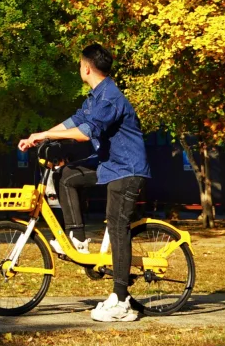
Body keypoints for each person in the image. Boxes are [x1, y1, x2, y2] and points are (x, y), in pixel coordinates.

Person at [19, 43, 150, 324]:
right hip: (109, 165)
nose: (79, 68)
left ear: (86, 67)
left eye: (80, 64)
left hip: (126, 170)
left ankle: (122, 300)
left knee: (117, 226)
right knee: (67, 176)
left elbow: (85, 132)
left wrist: (44, 134)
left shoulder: (110, 98)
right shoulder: (95, 97)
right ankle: (77, 238)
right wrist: (39, 137)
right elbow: (74, 121)